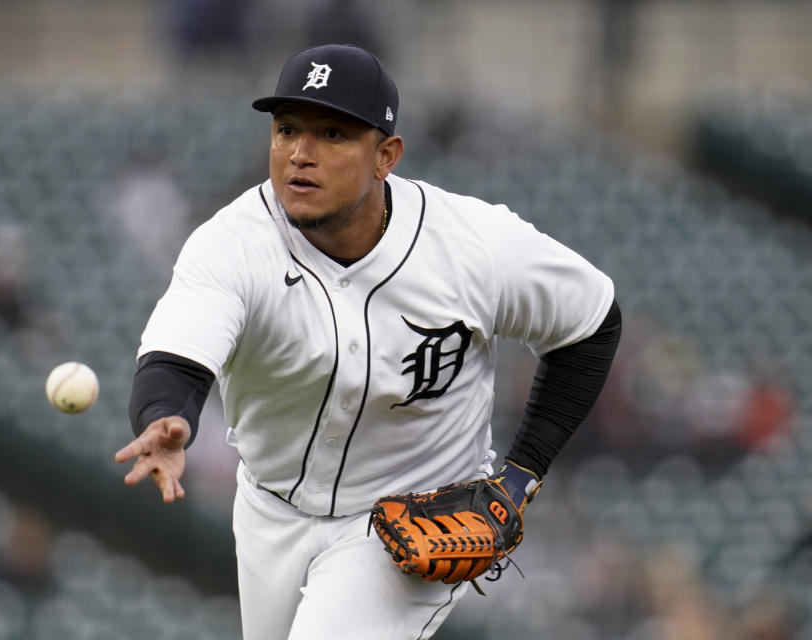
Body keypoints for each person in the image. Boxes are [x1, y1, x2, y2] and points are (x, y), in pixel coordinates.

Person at [115, 44, 622, 639]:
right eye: (286, 130)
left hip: (406, 520)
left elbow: (592, 320)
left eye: (332, 133)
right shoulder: (233, 243)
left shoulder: (471, 245)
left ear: (386, 156)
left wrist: (521, 475)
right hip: (267, 508)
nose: (300, 155)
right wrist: (163, 415)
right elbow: (178, 356)